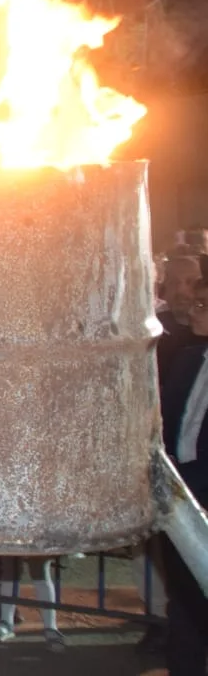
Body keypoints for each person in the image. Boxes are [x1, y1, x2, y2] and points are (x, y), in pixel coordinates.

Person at [159, 279, 208, 676]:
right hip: (182, 496)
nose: (193, 311)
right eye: (194, 302)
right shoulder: (187, 359)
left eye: (203, 304)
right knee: (184, 598)